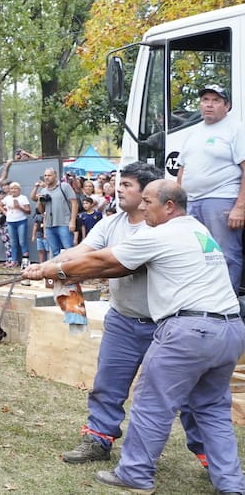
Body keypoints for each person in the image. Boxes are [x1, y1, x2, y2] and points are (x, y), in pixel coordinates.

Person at [22, 181, 245, 494]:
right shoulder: (198, 229)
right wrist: (62, 271)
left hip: (188, 331)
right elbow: (111, 265)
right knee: (212, 410)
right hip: (230, 329)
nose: (142, 207)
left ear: (169, 206)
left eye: (148, 201)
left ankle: (136, 473)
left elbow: (104, 262)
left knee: (152, 404)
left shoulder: (161, 234)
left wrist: (51, 270)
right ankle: (233, 485)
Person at [40, 162, 209, 469]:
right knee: (108, 382)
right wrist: (44, 267)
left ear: (148, 193)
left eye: (128, 185)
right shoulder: (111, 223)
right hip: (122, 319)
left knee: (186, 394)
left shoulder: (160, 227)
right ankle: (98, 439)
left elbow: (116, 265)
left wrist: (57, 269)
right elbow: (84, 251)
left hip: (165, 325)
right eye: (119, 184)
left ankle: (208, 453)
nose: (119, 189)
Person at [176, 83, 245, 293]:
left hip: (221, 200)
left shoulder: (236, 129)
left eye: (216, 101)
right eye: (205, 100)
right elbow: (182, 170)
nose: (209, 105)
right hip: (191, 203)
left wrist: (240, 207)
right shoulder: (193, 131)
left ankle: (226, 307)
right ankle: (200, 301)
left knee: (225, 256)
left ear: (227, 106)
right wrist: (177, 205)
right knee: (194, 253)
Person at [31, 167, 78, 256]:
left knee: (69, 249)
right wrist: (39, 201)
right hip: (49, 225)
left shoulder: (64, 186)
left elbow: (74, 203)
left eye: (49, 175)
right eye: (45, 175)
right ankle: (57, 269)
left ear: (55, 176)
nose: (47, 177)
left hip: (64, 223)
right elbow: (41, 211)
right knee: (54, 251)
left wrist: (72, 221)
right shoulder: (44, 191)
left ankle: (72, 269)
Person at [2, 181, 31, 265]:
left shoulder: (23, 198)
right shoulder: (7, 198)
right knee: (13, 242)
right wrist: (5, 212)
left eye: (15, 188)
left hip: (21, 221)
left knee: (22, 242)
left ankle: (25, 261)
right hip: (10, 222)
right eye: (11, 188)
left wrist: (19, 207)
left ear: (19, 190)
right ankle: (14, 261)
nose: (13, 190)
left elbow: (28, 211)